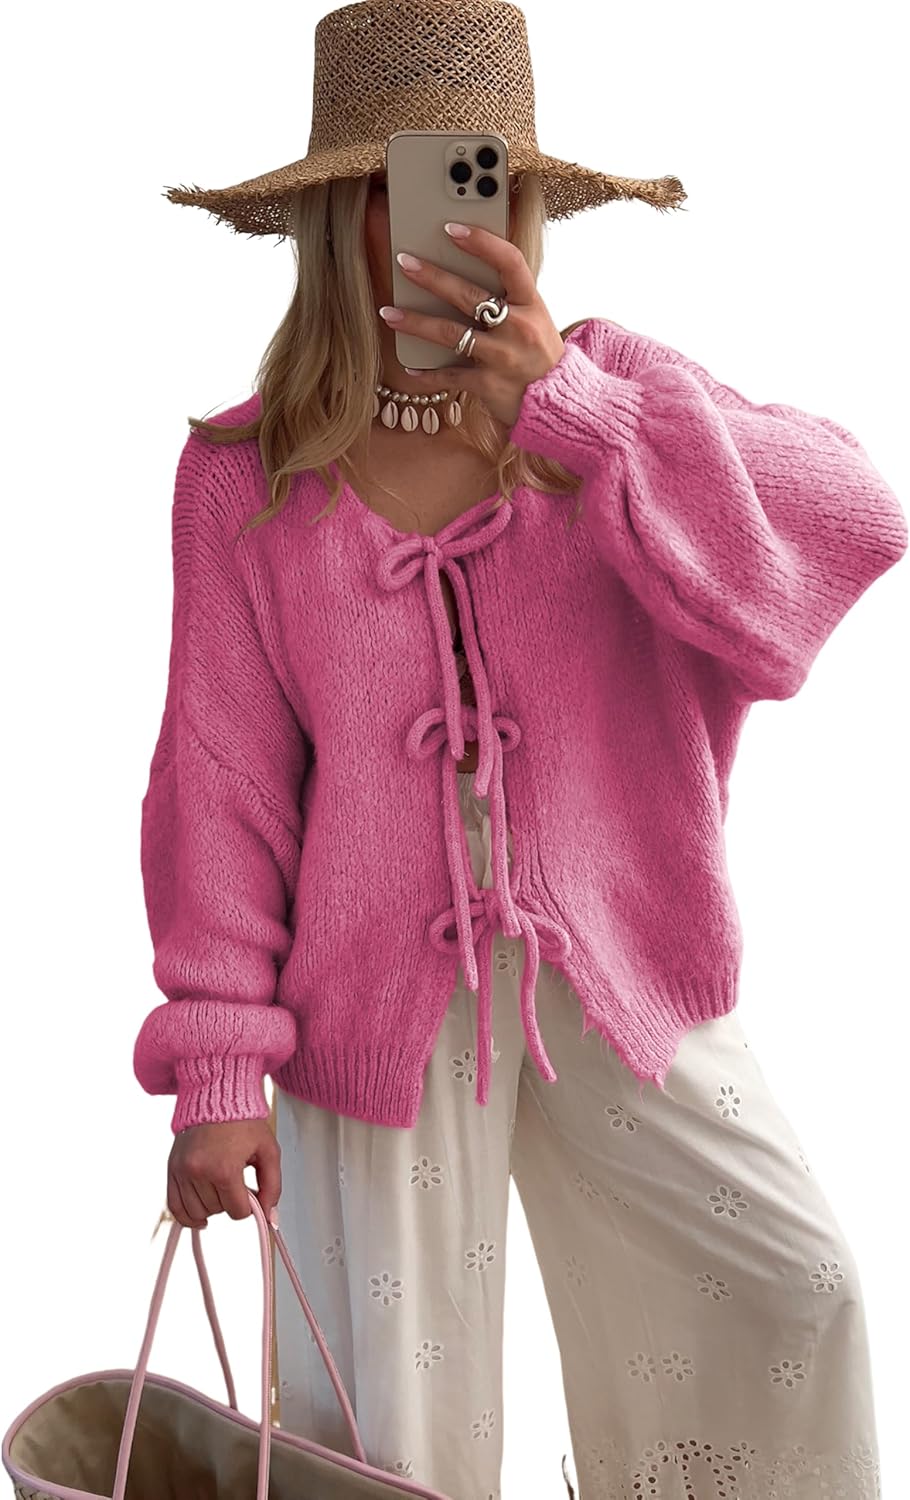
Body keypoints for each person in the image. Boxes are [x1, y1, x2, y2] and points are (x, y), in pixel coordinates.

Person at [133, 2, 907, 1496]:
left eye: (475, 176)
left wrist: (580, 414)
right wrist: (219, 1067)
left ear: (524, 200)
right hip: (373, 1006)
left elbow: (855, 519)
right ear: (332, 217)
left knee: (793, 1290)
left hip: (618, 964)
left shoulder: (612, 396)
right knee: (392, 1428)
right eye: (393, 186)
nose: (437, 221)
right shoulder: (244, 473)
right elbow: (219, 784)